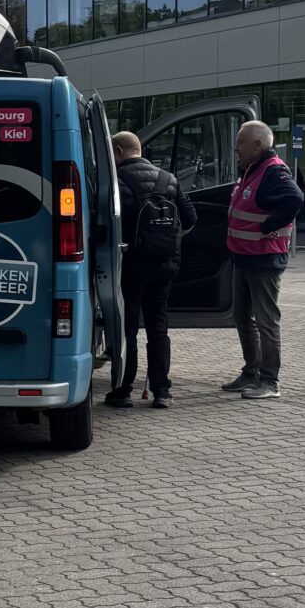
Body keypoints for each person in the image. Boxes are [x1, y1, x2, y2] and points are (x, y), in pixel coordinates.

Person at [104, 132, 196, 412]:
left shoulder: (116, 181)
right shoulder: (168, 179)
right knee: (158, 327)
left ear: (118, 150)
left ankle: (122, 391)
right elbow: (190, 218)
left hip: (130, 265)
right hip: (164, 264)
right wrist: (169, 240)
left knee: (127, 328)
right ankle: (162, 392)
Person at [223, 121, 304, 401]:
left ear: (258, 145)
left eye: (241, 143)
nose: (236, 148)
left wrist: (267, 226)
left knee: (266, 321)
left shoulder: (273, 171)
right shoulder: (251, 171)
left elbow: (295, 199)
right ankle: (251, 372)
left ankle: (270, 381)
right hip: (244, 258)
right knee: (242, 317)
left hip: (264, 260)